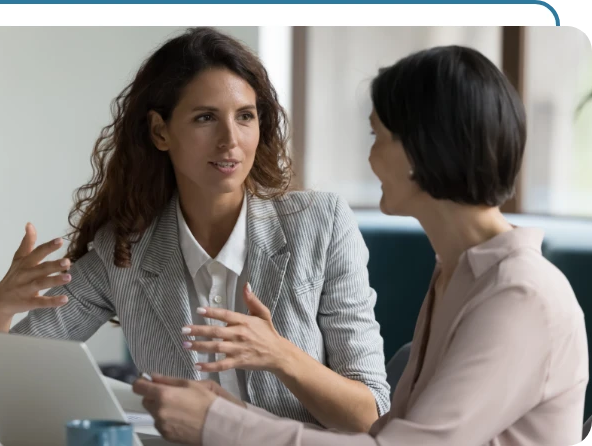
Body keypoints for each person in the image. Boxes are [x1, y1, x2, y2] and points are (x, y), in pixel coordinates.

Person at [132, 44, 589, 446]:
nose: (369, 156)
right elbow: (388, 433)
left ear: (420, 152)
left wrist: (217, 425)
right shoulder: (457, 274)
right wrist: (229, 412)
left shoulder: (519, 295)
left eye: (378, 136)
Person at [0, 26, 391, 431]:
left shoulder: (321, 224)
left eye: (245, 116)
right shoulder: (123, 251)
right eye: (205, 118)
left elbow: (372, 415)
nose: (230, 140)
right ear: (160, 131)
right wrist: (1, 304)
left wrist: (283, 358)